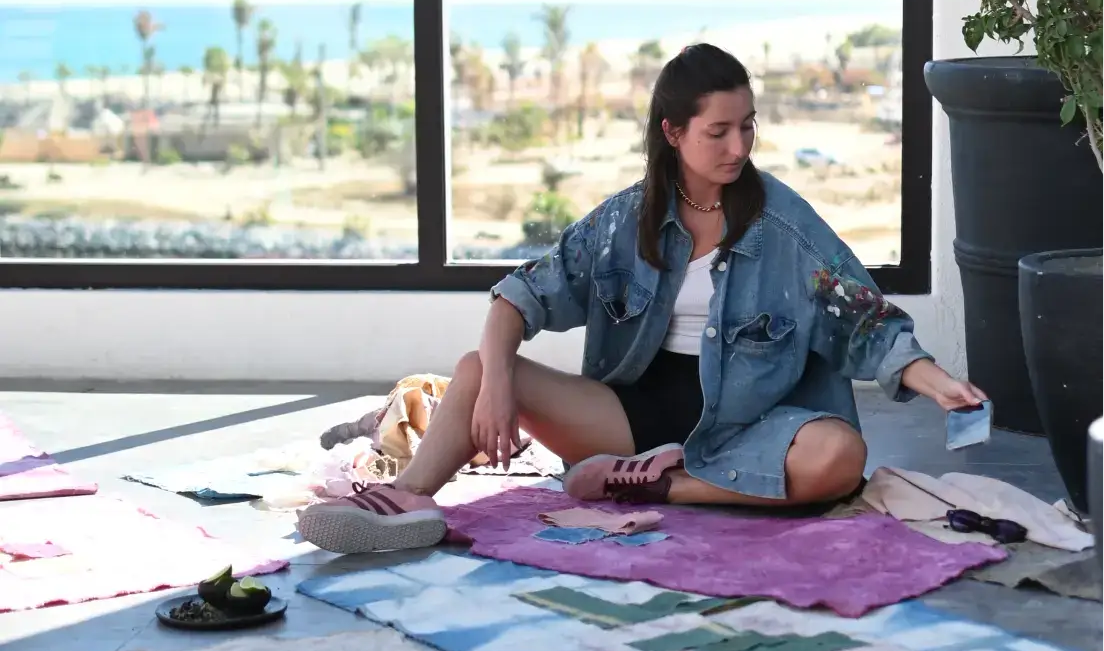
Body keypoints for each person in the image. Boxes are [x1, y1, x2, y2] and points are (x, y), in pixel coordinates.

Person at [298, 43, 986, 556]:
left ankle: (650, 484)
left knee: (840, 457)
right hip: (628, 418)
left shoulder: (785, 226)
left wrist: (939, 384)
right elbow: (518, 297)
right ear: (672, 132)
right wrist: (500, 387)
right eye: (718, 131)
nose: (739, 146)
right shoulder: (622, 222)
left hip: (748, 429)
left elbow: (867, 322)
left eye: (747, 126)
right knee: (477, 368)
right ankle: (409, 501)